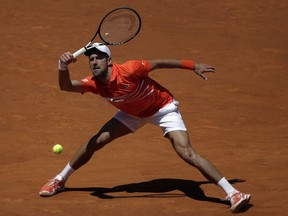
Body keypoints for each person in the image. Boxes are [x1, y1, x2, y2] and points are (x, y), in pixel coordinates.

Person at [39, 43, 251, 213]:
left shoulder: (130, 69)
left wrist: (192, 65)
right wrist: (62, 66)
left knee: (186, 152)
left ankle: (233, 193)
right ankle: (59, 180)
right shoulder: (94, 83)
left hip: (162, 109)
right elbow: (65, 86)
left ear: (109, 60)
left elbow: (159, 63)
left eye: (98, 58)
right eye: (91, 59)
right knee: (98, 140)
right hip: (132, 113)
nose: (94, 62)